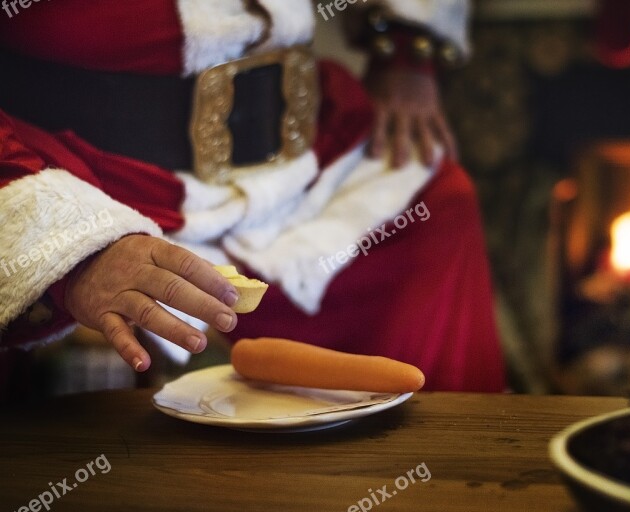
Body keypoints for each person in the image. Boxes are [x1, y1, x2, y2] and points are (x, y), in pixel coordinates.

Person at [0, 0, 505, 392]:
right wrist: (69, 249)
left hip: (301, 158)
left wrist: (406, 38)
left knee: (436, 210)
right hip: (83, 177)